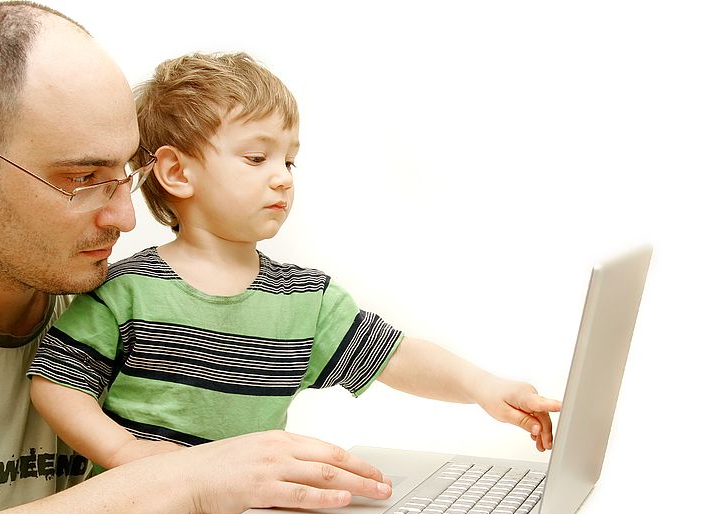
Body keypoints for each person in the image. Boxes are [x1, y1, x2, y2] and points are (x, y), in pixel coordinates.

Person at [0, 2, 398, 514]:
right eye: (82, 179)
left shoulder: (106, 290)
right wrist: (182, 478)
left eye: (124, 175)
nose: (126, 218)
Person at [27, 52, 562, 473]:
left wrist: (484, 388)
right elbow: (55, 384)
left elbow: (396, 358)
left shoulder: (306, 300)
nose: (282, 176)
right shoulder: (125, 290)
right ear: (177, 174)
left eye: (289, 160)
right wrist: (128, 456)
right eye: (256, 158)